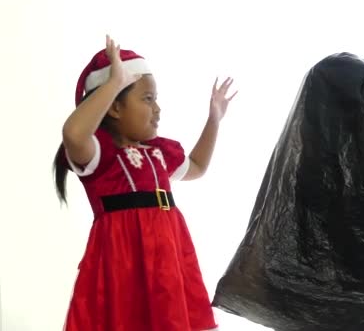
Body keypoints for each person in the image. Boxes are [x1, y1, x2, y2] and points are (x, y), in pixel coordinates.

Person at [53, 35, 236, 331]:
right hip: (124, 261)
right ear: (113, 108)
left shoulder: (160, 153)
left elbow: (198, 166)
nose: (158, 109)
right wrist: (115, 82)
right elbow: (73, 133)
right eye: (147, 99)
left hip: (168, 256)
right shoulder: (98, 154)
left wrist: (214, 119)